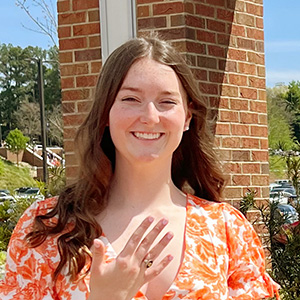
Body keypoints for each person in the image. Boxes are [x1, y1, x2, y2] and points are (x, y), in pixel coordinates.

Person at [0, 36, 280, 300]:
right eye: (130, 99)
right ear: (106, 113)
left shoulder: (227, 229)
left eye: (167, 102)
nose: (149, 117)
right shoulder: (46, 228)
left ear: (187, 118)